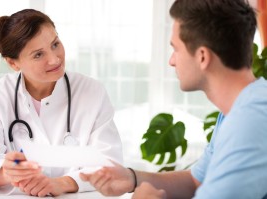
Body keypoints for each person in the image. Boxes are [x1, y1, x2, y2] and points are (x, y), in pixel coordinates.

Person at [80, 0, 267, 198]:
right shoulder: (238, 110)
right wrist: (132, 178)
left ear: (203, 57)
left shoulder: (252, 120)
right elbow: (196, 181)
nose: (171, 60)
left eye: (176, 49)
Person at [0, 9, 123, 197]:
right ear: (13, 63)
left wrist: (63, 183)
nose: (54, 59)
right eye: (38, 55)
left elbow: (111, 163)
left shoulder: (92, 91)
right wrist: (8, 172)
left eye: (55, 44)